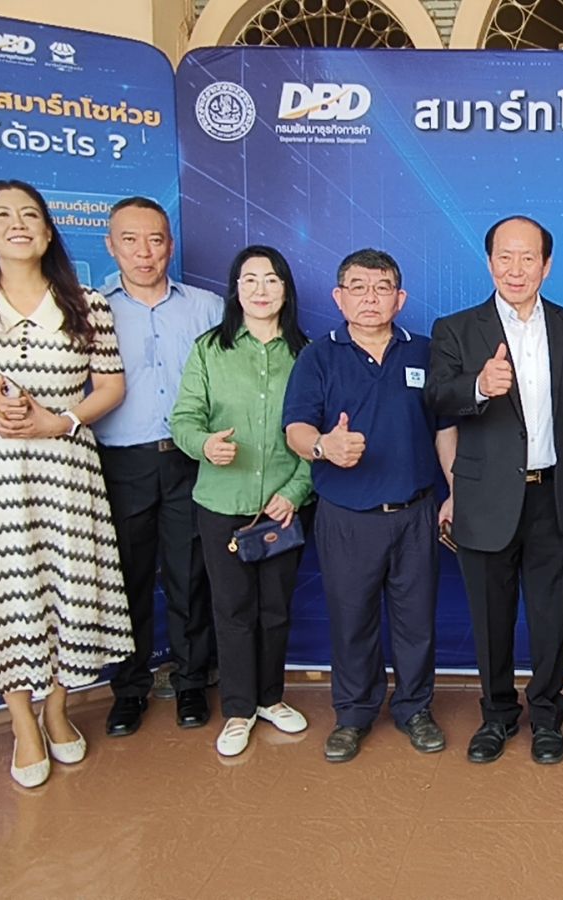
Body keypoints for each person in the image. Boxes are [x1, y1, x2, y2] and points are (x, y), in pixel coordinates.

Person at [0, 180, 131, 788]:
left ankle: (58, 709)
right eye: (3, 216)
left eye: (30, 215)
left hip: (65, 466)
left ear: (48, 231)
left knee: (68, 585)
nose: (18, 224)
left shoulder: (86, 303)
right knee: (5, 590)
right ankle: (21, 722)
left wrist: (62, 421)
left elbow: (110, 386)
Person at [428, 216, 563, 765]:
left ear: (546, 265)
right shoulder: (456, 329)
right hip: (484, 498)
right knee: (491, 618)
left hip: (554, 496)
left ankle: (547, 715)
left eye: (528, 257)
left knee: (552, 618)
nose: (516, 268)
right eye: (505, 257)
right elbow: (435, 398)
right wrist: (479, 386)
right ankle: (497, 715)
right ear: (489, 263)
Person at [283, 249, 457, 763]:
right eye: (357, 288)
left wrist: (455, 491)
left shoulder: (425, 351)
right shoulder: (318, 356)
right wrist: (324, 446)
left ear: (400, 298)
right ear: (338, 297)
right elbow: (295, 428)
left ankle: (415, 709)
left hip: (416, 512)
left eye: (382, 288)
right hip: (347, 516)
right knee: (352, 620)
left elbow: (445, 428)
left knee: (416, 622)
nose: (370, 298)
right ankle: (353, 714)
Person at [171, 246, 314, 757]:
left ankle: (271, 698)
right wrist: (204, 445)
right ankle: (238, 709)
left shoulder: (307, 354)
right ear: (235, 289)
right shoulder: (210, 349)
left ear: (286, 290)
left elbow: (318, 434)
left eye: (271, 279)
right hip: (221, 503)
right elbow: (184, 419)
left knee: (275, 609)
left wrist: (294, 492)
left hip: (282, 507)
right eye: (249, 279)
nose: (260, 289)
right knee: (232, 610)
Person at [94, 197, 221, 737]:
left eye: (155, 240)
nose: (144, 252)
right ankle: (129, 689)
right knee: (127, 578)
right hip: (121, 462)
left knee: (191, 576)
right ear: (111, 245)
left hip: (191, 460)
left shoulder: (207, 308)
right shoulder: (90, 310)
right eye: (130, 240)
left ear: (171, 244)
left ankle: (191, 681)